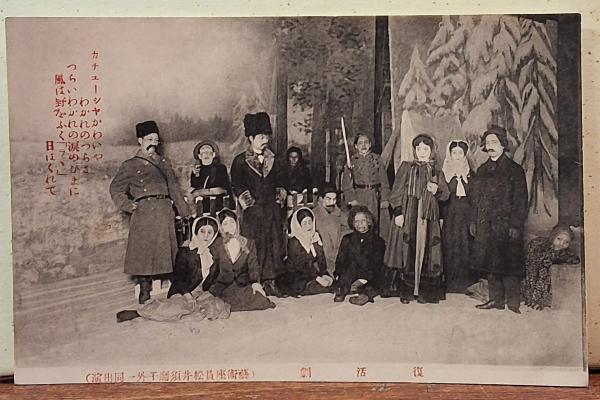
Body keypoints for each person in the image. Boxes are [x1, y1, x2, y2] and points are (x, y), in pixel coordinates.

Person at [110, 120, 192, 304]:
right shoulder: (130, 165)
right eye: (149, 139)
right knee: (143, 251)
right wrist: (129, 205)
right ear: (140, 140)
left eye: (156, 140)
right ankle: (144, 288)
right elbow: (115, 188)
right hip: (144, 212)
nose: (153, 143)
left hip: (164, 210)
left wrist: (185, 213)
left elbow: (174, 188)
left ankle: (176, 286)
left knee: (169, 250)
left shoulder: (164, 163)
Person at [382, 134, 450, 304]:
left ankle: (425, 292)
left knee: (427, 252)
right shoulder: (406, 167)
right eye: (418, 149)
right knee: (407, 250)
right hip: (409, 213)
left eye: (425, 149)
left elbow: (446, 195)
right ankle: (406, 291)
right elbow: (396, 192)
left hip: (428, 218)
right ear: (414, 150)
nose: (422, 152)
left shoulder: (436, 171)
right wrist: (398, 212)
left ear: (431, 151)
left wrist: (437, 190)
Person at [470, 126, 528, 314]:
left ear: (503, 144)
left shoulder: (515, 170)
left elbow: (521, 201)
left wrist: (515, 225)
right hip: (486, 225)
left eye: (494, 142)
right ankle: (496, 300)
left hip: (507, 225)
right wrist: (473, 221)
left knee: (509, 263)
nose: (491, 146)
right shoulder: (482, 170)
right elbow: (475, 199)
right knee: (491, 263)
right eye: (488, 143)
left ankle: (513, 302)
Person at [230, 112, 286, 296]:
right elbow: (238, 186)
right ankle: (255, 281)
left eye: (267, 136)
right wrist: (250, 206)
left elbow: (280, 182)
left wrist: (278, 201)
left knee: (274, 245)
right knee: (256, 246)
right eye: (261, 137)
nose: (265, 140)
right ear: (251, 138)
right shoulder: (240, 161)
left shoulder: (274, 159)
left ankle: (271, 281)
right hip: (253, 213)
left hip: (272, 211)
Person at [208, 209, 276, 312]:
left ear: (237, 223)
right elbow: (213, 268)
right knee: (217, 303)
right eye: (225, 224)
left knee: (262, 301)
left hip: (242, 284)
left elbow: (253, 266)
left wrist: (255, 283)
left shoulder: (248, 242)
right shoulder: (217, 244)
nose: (230, 226)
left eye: (232, 222)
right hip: (223, 285)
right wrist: (210, 286)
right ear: (221, 227)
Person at [440, 140, 476, 293]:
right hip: (450, 214)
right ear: (449, 154)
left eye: (460, 152)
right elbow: (440, 197)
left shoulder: (471, 174)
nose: (457, 155)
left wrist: (473, 219)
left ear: (464, 155)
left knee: (466, 246)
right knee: (450, 245)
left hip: (466, 215)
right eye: (454, 152)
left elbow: (475, 198)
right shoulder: (443, 174)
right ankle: (450, 283)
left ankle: (465, 283)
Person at [333, 206, 386, 306]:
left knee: (377, 281)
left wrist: (362, 280)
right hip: (351, 274)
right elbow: (340, 260)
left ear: (369, 222)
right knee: (348, 270)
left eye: (363, 221)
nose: (360, 224)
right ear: (352, 223)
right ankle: (343, 289)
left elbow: (376, 265)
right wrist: (338, 275)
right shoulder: (347, 239)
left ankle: (365, 294)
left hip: (368, 275)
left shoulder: (378, 241)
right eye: (356, 221)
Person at [276, 208, 333, 297]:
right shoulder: (294, 241)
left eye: (310, 222)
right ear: (299, 225)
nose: (308, 226)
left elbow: (321, 259)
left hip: (311, 274)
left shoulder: (316, 237)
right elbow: (300, 266)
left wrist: (324, 274)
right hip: (296, 276)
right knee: (323, 289)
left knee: (332, 284)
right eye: (305, 223)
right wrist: (317, 278)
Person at [341, 134, 391, 236]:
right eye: (360, 143)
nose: (363, 145)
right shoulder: (352, 161)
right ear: (356, 146)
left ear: (370, 144)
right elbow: (346, 183)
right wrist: (351, 198)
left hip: (375, 196)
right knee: (361, 222)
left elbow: (384, 180)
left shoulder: (377, 159)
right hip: (359, 196)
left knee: (375, 223)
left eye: (366, 142)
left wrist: (385, 199)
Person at [521, 224, 580, 310]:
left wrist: (560, 258)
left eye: (566, 242)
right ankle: (534, 299)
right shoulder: (540, 244)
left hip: (542, 269)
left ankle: (542, 300)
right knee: (542, 268)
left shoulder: (564, 251)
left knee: (548, 268)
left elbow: (575, 259)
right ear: (553, 237)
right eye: (559, 239)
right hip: (531, 266)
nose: (561, 244)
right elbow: (536, 258)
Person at [168, 215, 220, 298]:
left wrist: (209, 293)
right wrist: (187, 295)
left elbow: (215, 279)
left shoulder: (214, 253)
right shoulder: (185, 252)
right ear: (196, 232)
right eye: (202, 231)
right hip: (182, 293)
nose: (206, 236)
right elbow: (177, 278)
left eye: (210, 232)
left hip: (202, 294)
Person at [312, 183, 351, 276]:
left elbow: (349, 227)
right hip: (322, 261)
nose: (332, 202)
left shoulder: (338, 212)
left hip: (339, 255)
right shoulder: (314, 215)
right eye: (328, 199)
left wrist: (341, 236)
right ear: (320, 199)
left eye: (334, 199)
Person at [189, 140, 232, 215]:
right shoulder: (196, 171)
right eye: (203, 153)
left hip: (219, 205)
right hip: (201, 206)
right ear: (199, 156)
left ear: (213, 154)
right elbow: (193, 188)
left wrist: (200, 192)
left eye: (209, 152)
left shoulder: (220, 168)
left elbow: (224, 189)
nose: (206, 155)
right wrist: (196, 176)